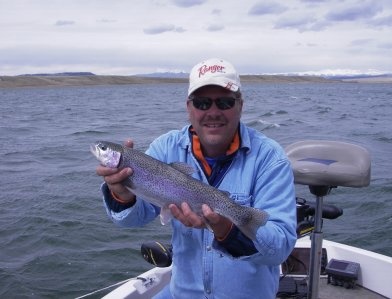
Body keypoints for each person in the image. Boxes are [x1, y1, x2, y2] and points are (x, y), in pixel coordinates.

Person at [96, 58, 297, 299]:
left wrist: (227, 230)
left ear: (240, 105)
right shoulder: (164, 148)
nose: (213, 112)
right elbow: (131, 220)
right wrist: (123, 194)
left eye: (224, 102)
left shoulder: (270, 158)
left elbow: (280, 249)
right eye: (202, 103)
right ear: (189, 107)